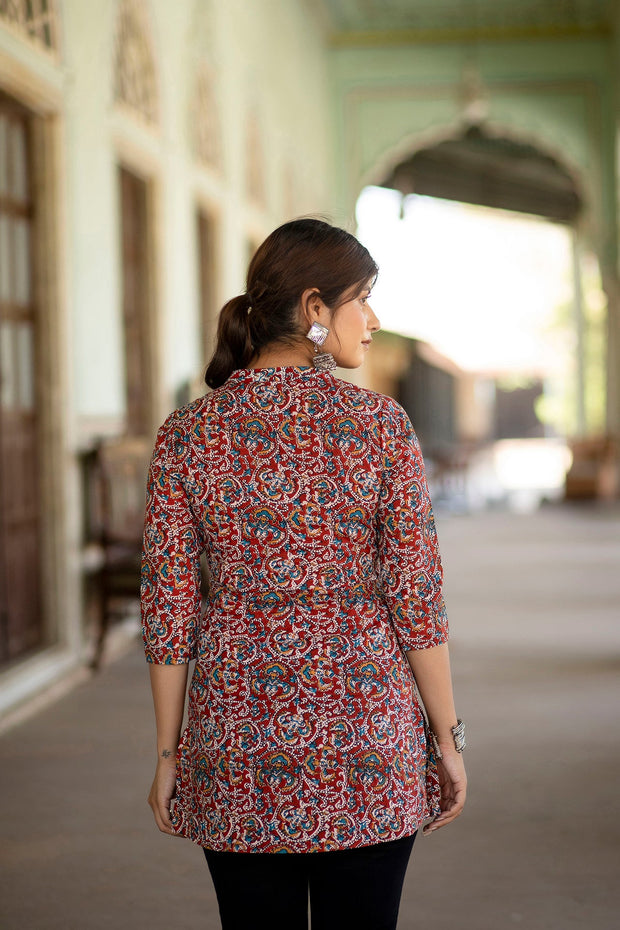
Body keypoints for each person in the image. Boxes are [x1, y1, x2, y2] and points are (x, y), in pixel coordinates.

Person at [141, 218, 467, 930]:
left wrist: (169, 753)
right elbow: (416, 598)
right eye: (364, 298)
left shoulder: (188, 433)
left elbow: (168, 612)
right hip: (368, 746)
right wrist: (446, 739)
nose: (373, 320)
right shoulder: (381, 426)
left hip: (235, 750)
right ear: (316, 309)